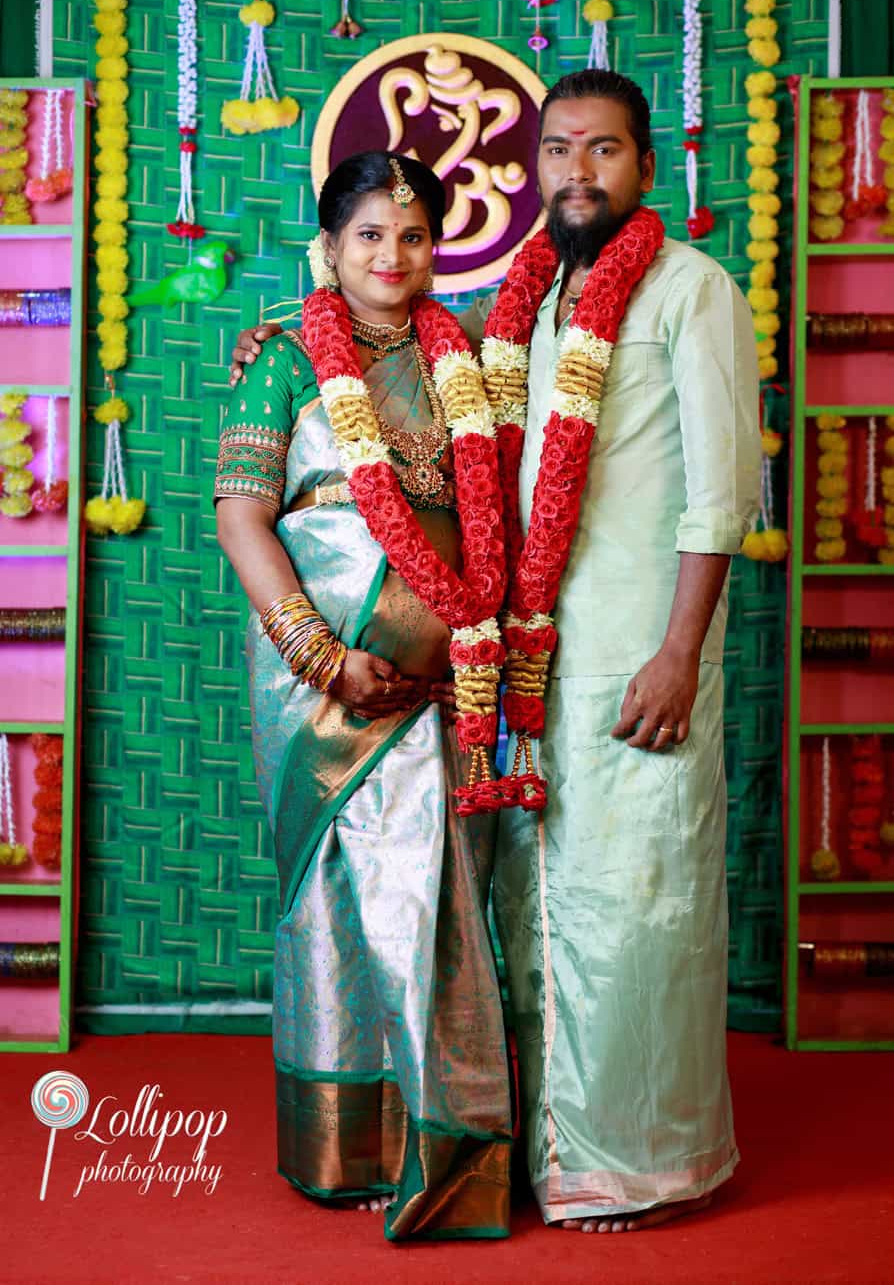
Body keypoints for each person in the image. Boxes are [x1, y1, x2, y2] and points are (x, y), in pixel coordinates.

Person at [229, 69, 762, 1236]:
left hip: (639, 653)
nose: (578, 172)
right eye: (559, 150)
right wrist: (324, 649)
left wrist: (680, 651)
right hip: (527, 668)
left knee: (640, 904)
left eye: (604, 151)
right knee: (540, 905)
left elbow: (724, 497)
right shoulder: (527, 308)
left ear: (644, 164)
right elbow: (262, 513)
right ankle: (552, 1151)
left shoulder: (690, 290)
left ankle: (643, 1161)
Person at [214, 151, 513, 1241]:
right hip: (327, 678)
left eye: (417, 234)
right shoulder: (283, 359)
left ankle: (443, 1135)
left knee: (437, 893)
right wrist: (318, 650)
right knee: (347, 891)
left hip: (441, 675)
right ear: (328, 249)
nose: (395, 255)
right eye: (371, 235)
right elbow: (244, 516)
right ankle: (345, 1146)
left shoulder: (466, 356)